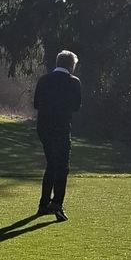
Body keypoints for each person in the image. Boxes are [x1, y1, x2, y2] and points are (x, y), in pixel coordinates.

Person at [33, 49, 82, 222]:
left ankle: (44, 204)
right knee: (62, 167)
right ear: (71, 65)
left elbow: (36, 103)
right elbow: (77, 107)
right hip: (61, 128)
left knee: (52, 164)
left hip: (43, 128)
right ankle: (57, 204)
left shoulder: (44, 80)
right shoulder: (74, 82)